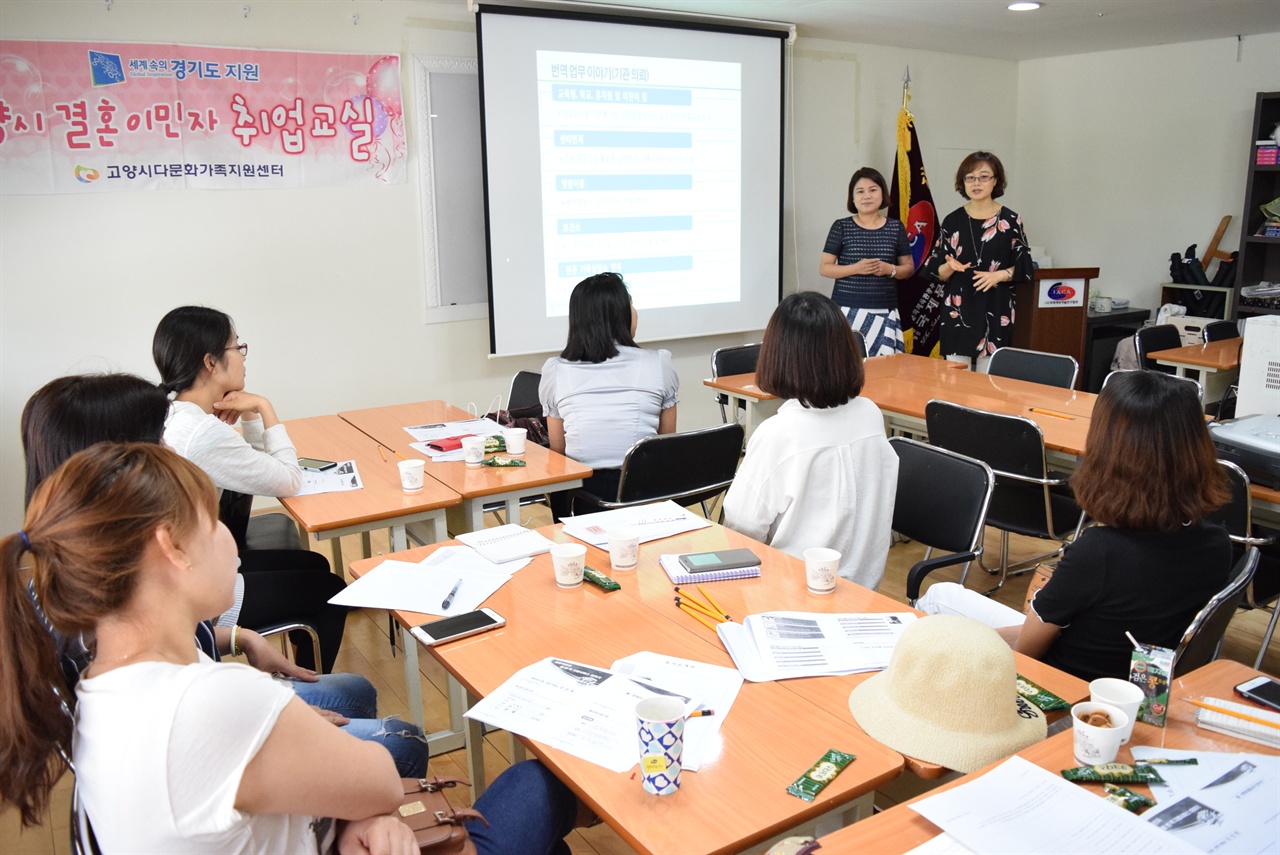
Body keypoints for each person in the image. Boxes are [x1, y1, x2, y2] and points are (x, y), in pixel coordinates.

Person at [0, 443, 580, 854]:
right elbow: (379, 780)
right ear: (171, 547)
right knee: (545, 782)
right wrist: (361, 812)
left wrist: (346, 822)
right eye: (214, 520)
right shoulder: (209, 701)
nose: (230, 537)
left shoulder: (99, 688)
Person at [19, 373, 428, 778]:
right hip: (207, 745)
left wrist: (239, 637)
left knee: (357, 692)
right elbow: (195, 731)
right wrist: (274, 725)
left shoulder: (82, 565)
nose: (168, 446)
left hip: (210, 708)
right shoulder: (122, 626)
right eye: (159, 436)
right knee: (403, 742)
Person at [916, 371, 1233, 682]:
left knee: (938, 596)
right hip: (1131, 687)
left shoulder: (1099, 552)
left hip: (1063, 688)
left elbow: (1026, 653)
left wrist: (967, 644)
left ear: (1108, 448)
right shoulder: (1218, 545)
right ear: (1197, 447)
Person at [152, 305, 348, 672]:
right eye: (236, 348)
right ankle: (309, 685)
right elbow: (288, 479)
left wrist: (250, 417)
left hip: (189, 569)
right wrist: (264, 406)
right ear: (210, 362)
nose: (243, 356)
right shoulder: (201, 432)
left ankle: (304, 662)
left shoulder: (179, 413)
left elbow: (258, 469)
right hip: (203, 596)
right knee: (330, 591)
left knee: (316, 565)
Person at [723, 292, 898, 589]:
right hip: (864, 593)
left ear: (777, 355)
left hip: (790, 593)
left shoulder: (779, 433)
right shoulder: (870, 414)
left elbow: (741, 529)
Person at [539, 272, 679, 518]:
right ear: (619, 315)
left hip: (579, 501)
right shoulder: (659, 363)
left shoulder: (555, 370)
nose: (636, 311)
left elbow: (558, 453)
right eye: (631, 304)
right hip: (644, 497)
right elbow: (666, 445)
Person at [922, 151, 1032, 368]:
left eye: (983, 176)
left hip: (995, 307)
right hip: (958, 308)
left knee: (988, 383)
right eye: (969, 177)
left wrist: (999, 275)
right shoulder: (952, 220)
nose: (976, 183)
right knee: (954, 380)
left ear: (996, 181)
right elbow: (934, 271)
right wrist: (949, 266)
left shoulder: (1010, 220)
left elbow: (1025, 267)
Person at [819, 166, 915, 356]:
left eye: (873, 190)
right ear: (853, 198)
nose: (867, 196)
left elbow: (909, 268)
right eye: (860, 191)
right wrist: (856, 268)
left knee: (883, 373)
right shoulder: (841, 226)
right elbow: (824, 268)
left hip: (884, 310)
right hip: (846, 310)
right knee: (845, 367)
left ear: (883, 194)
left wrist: (890, 269)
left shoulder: (895, 227)